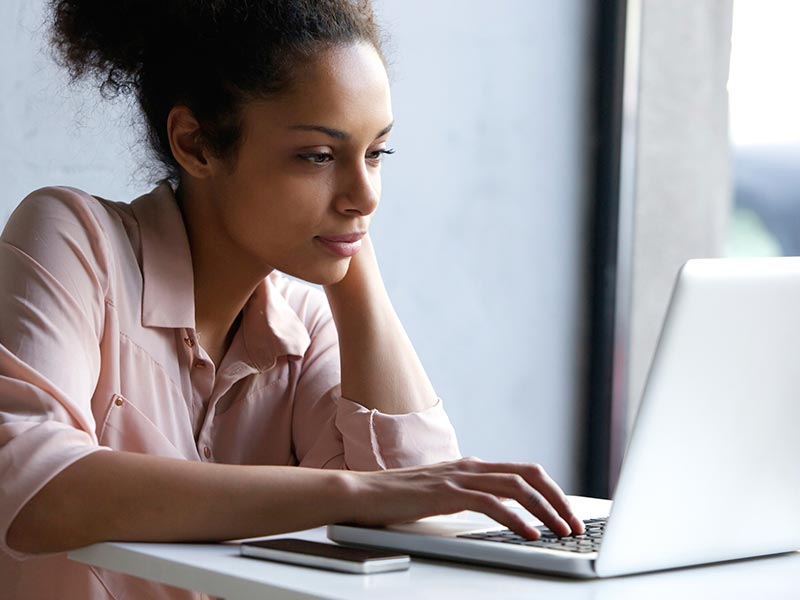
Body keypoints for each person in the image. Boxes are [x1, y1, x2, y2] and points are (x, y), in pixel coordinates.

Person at [0, 1, 584, 598]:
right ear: (196, 143)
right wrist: (349, 495)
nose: (366, 194)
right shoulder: (76, 239)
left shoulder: (304, 326)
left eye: (377, 152)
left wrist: (352, 262)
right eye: (318, 156)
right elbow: (32, 490)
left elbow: (420, 515)